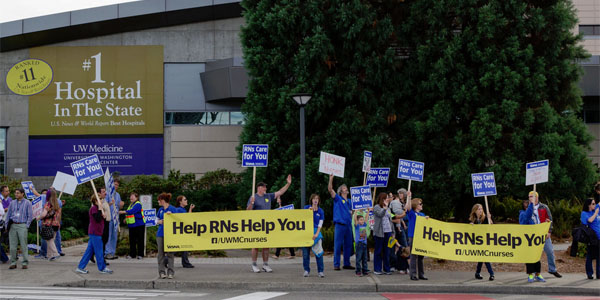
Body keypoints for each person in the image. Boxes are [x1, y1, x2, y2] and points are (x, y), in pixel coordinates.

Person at [246, 174, 292, 273]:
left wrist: (288, 184)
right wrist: (251, 203)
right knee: (255, 245)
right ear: (259, 188)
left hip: (266, 225)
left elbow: (280, 192)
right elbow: (247, 211)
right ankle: (254, 265)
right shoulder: (253, 197)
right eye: (264, 187)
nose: (266, 188)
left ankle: (265, 265)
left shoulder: (268, 196)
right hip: (256, 225)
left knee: (266, 245)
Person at [75, 195, 112, 274]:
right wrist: (100, 211)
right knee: (99, 250)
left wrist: (103, 214)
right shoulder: (94, 209)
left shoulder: (98, 209)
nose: (102, 201)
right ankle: (102, 268)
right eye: (101, 199)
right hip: (95, 232)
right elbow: (97, 219)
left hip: (96, 232)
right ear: (96, 201)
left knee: (89, 251)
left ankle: (80, 267)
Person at [530, 192, 562, 278]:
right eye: (529, 196)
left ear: (537, 197)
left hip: (543, 233)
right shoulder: (529, 208)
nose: (531, 198)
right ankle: (533, 272)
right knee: (534, 254)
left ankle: (552, 270)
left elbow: (550, 219)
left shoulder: (544, 207)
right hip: (533, 234)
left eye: (532, 196)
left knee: (550, 251)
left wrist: (549, 231)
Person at [327, 174, 354, 271]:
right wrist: (331, 179)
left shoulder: (350, 201)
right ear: (340, 191)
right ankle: (336, 264)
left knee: (348, 245)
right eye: (344, 188)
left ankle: (346, 263)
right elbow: (330, 190)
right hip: (340, 225)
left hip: (348, 225)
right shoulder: (338, 198)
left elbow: (354, 210)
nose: (346, 188)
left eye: (346, 188)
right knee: (338, 245)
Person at [519, 192, 546, 283]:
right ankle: (530, 274)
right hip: (527, 239)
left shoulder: (534, 214)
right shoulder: (522, 214)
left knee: (537, 256)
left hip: (535, 238)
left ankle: (538, 274)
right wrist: (531, 204)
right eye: (526, 205)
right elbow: (527, 216)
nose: (528, 206)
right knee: (529, 257)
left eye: (529, 204)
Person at [5, 188, 33, 269]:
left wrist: (26, 225)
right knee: (13, 246)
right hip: (13, 225)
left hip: (22, 225)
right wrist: (7, 226)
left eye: (18, 193)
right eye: (15, 193)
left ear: (22, 194)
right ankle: (13, 262)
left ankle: (24, 263)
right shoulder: (12, 203)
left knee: (23, 245)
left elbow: (30, 216)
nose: (16, 194)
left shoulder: (27, 203)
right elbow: (8, 214)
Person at [469, 204, 494, 281]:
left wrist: (490, 219)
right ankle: (479, 273)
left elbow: (491, 227)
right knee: (482, 257)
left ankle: (491, 274)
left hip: (485, 240)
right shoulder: (473, 220)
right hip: (477, 242)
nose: (480, 210)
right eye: (479, 209)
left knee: (484, 257)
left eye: (481, 209)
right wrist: (470, 227)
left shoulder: (485, 218)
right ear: (475, 211)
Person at [406, 194, 428, 280]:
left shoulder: (422, 214)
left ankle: (421, 274)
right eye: (420, 204)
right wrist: (409, 197)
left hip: (420, 236)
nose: (421, 205)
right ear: (415, 205)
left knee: (421, 256)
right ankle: (413, 274)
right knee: (414, 255)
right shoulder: (412, 213)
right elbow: (407, 207)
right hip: (413, 235)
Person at [302, 194, 325, 278]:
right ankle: (306, 270)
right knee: (305, 253)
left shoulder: (320, 211)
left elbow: (320, 224)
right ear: (311, 200)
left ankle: (320, 271)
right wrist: (309, 211)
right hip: (306, 233)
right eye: (314, 199)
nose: (315, 200)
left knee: (319, 253)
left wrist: (316, 234)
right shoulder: (306, 208)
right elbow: (302, 218)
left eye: (317, 199)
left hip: (316, 232)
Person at [373, 192, 395, 275]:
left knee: (387, 251)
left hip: (388, 231)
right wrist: (385, 208)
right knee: (378, 251)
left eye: (388, 198)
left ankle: (386, 268)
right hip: (379, 232)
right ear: (382, 199)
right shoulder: (376, 207)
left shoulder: (388, 209)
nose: (387, 200)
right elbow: (380, 214)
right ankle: (377, 269)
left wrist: (393, 232)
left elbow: (390, 220)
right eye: (386, 198)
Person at [157, 193, 178, 279]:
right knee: (161, 254)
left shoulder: (173, 209)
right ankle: (162, 272)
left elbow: (179, 219)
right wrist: (159, 221)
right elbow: (156, 219)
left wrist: (171, 216)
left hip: (170, 234)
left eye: (159, 200)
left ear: (162, 200)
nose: (158, 202)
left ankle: (171, 272)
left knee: (170, 254)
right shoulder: (160, 210)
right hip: (160, 233)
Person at [119, 192, 145, 259]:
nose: (131, 197)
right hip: (132, 225)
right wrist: (125, 218)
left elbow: (132, 211)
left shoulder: (138, 204)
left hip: (139, 224)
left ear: (136, 197)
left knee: (140, 240)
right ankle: (132, 254)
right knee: (132, 241)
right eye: (130, 196)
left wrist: (122, 212)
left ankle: (140, 254)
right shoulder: (131, 204)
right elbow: (129, 213)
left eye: (133, 196)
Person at [38, 189, 61, 261]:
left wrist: (38, 218)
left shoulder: (48, 204)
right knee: (52, 239)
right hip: (56, 224)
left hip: (48, 224)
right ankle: (49, 255)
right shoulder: (58, 203)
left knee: (49, 240)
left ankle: (55, 253)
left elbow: (44, 214)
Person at [580, 198, 600, 279]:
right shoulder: (585, 213)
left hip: (599, 237)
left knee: (599, 256)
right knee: (590, 256)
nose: (594, 205)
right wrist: (595, 213)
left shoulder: (595, 210)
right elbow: (590, 221)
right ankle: (589, 273)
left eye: (595, 203)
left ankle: (599, 274)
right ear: (588, 205)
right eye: (593, 204)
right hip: (592, 238)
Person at [389, 191, 408, 273]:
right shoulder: (388, 210)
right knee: (390, 247)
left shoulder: (397, 207)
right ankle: (391, 265)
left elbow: (399, 218)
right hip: (391, 231)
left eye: (391, 196)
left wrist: (401, 223)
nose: (390, 198)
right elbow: (393, 218)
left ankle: (403, 266)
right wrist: (396, 221)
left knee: (403, 246)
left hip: (399, 231)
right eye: (388, 196)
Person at [273, 195, 295, 259]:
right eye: (277, 199)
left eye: (278, 199)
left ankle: (277, 255)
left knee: (282, 239)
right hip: (282, 225)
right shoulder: (279, 207)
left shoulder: (286, 207)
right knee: (284, 239)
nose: (278, 200)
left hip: (286, 225)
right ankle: (292, 254)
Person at [175, 195, 195, 268]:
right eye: (185, 199)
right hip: (180, 232)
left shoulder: (183, 210)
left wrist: (190, 209)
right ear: (180, 201)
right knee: (177, 248)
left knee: (182, 248)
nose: (186, 201)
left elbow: (187, 218)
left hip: (182, 231)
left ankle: (185, 262)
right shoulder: (178, 210)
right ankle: (165, 260)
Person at [105, 179, 122, 260]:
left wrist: (121, 205)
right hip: (109, 218)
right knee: (108, 235)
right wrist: (110, 203)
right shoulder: (107, 194)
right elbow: (104, 206)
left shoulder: (118, 195)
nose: (116, 186)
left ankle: (112, 252)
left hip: (116, 218)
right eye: (115, 184)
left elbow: (119, 206)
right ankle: (107, 252)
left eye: (117, 185)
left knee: (114, 236)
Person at [353, 209, 369, 276]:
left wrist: (368, 211)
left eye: (362, 219)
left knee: (364, 258)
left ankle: (365, 270)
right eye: (361, 220)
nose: (362, 221)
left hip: (364, 244)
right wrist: (356, 212)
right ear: (358, 221)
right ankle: (358, 271)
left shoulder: (364, 225)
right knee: (358, 258)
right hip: (359, 244)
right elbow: (355, 220)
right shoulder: (357, 226)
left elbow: (366, 218)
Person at [0, 186, 12, 264]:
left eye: (8, 191)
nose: (8, 192)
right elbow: (2, 211)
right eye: (6, 191)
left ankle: (5, 258)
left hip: (5, 222)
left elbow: (2, 212)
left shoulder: (9, 199)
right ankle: (4, 258)